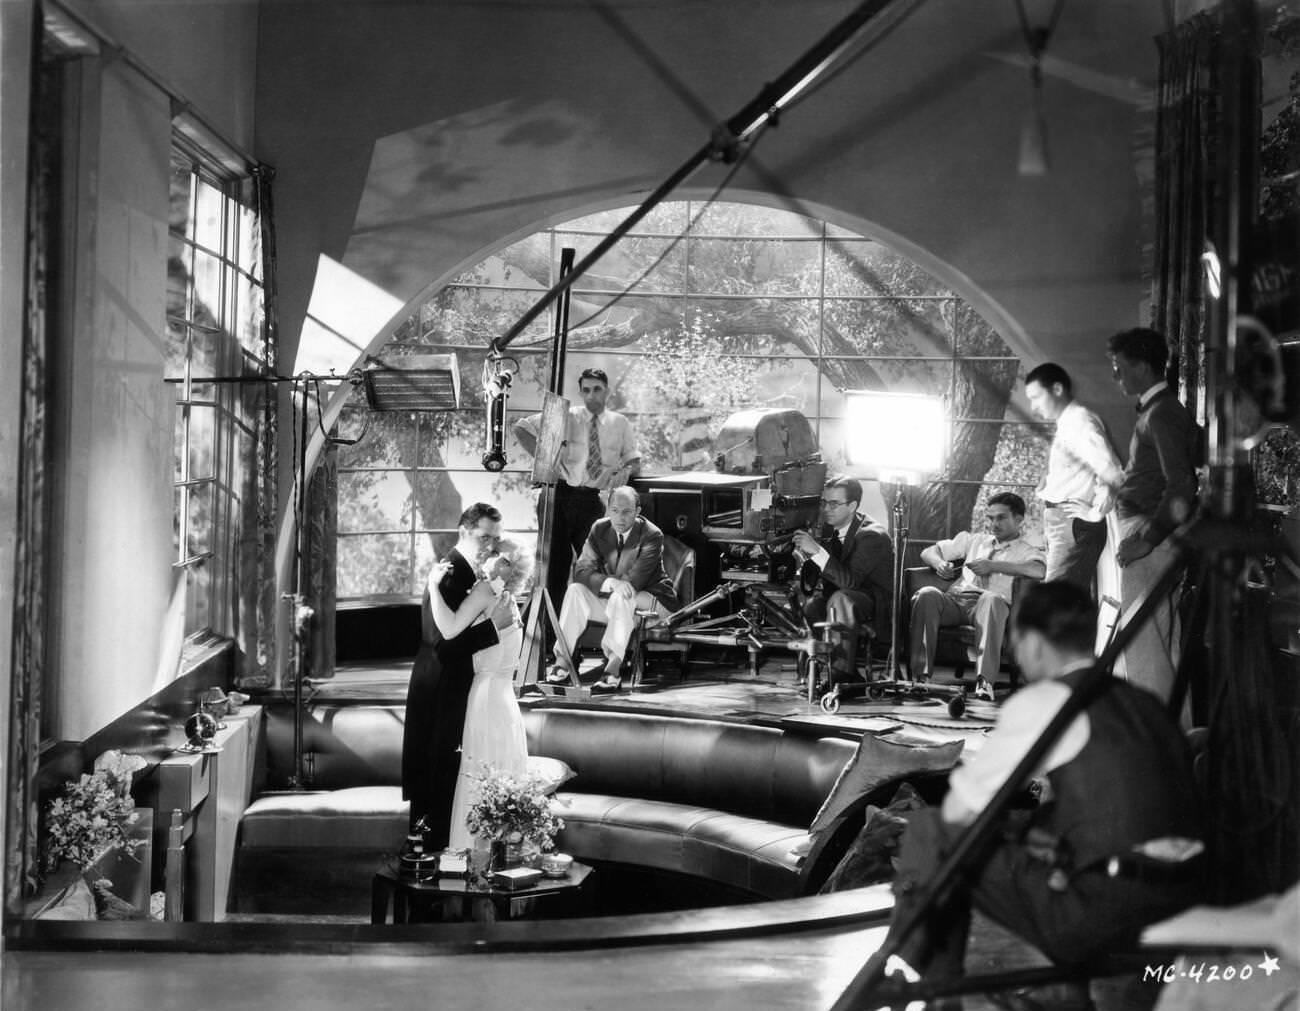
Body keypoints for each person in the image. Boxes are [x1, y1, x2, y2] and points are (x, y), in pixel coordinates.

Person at [885, 580, 1202, 1010]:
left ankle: (926, 983)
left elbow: (961, 812)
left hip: (1107, 915)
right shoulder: (1142, 702)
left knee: (932, 832)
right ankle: (1064, 992)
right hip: (1185, 903)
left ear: (1032, 643)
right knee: (1039, 831)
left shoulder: (1048, 700)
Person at [400, 503, 511, 847]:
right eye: (484, 536)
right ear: (464, 531)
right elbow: (443, 645)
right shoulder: (451, 572)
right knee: (435, 779)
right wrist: (495, 628)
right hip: (440, 688)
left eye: (496, 538)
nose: (491, 544)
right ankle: (430, 861)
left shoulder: (469, 572)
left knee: (442, 779)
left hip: (447, 685)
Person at [514, 367, 641, 655]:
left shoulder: (620, 423)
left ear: (606, 391)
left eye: (597, 389)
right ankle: (546, 644)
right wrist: (545, 459)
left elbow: (633, 458)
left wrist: (625, 473)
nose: (591, 395)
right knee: (554, 570)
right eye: (586, 389)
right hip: (559, 495)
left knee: (591, 568)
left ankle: (589, 640)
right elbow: (522, 427)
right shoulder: (566, 416)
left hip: (592, 500)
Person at [1104, 327, 1200, 704]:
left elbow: (1182, 486)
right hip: (1149, 534)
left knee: (1144, 644)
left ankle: (1154, 742)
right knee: (1161, 640)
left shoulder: (1162, 414)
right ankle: (1172, 739)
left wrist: (1147, 540)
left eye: (1120, 367)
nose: (1116, 375)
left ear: (1143, 367)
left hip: (1148, 537)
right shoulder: (1160, 411)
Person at [545, 486, 677, 694]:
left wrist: (607, 583)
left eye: (626, 511)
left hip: (655, 603)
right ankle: (562, 663)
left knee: (622, 596)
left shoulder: (652, 534)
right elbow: (581, 571)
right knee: (575, 590)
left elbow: (635, 580)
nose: (620, 517)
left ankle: (613, 670)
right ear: (608, 509)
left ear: (638, 511)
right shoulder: (599, 528)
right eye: (614, 510)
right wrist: (610, 583)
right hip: (618, 601)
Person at [909, 492, 1045, 690]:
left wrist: (994, 566)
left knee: (991, 599)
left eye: (1001, 517)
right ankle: (920, 679)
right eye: (990, 518)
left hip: (990, 606)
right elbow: (928, 551)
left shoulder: (1026, 550)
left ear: (1018, 519)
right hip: (955, 601)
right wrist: (940, 564)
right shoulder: (975, 540)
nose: (993, 524)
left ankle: (984, 683)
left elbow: (1038, 570)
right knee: (926, 594)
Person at [446, 540, 532, 853]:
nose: (496, 561)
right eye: (496, 554)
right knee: (499, 771)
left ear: (514, 569)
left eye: (505, 559)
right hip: (504, 700)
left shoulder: (487, 593)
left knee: (482, 770)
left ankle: (472, 852)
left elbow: (449, 634)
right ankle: (499, 852)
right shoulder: (507, 599)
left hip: (487, 697)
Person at [1024, 363, 1124, 591]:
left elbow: (1112, 472)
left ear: (1057, 389)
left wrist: (1094, 513)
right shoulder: (1068, 423)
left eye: (1036, 397)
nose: (1033, 407)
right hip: (1062, 522)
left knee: (1055, 603)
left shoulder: (1080, 421)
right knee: (1061, 604)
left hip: (1072, 523)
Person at [792, 476, 893, 685]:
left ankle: (841, 676)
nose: (826, 509)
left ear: (852, 506)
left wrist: (817, 550)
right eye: (824, 502)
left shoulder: (872, 535)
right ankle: (832, 667)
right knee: (812, 606)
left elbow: (850, 581)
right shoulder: (829, 529)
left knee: (840, 599)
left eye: (834, 504)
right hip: (843, 597)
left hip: (878, 606)